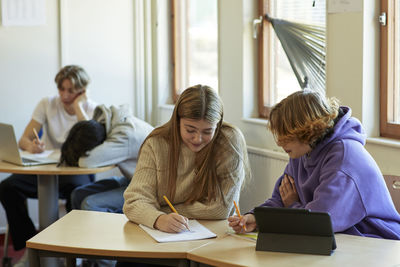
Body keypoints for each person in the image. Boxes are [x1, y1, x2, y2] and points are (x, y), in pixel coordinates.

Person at [228, 90, 400, 240]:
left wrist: (293, 205)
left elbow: (319, 224)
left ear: (307, 131)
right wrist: (256, 217)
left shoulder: (344, 158)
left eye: (285, 135)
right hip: (339, 238)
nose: (279, 141)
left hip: (375, 242)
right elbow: (281, 198)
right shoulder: (302, 150)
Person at [0, 65, 97, 266]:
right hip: (47, 168)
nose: (64, 95)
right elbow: (23, 139)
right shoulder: (47, 104)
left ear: (82, 90)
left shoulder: (90, 108)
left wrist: (78, 107)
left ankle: (73, 253)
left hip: (76, 171)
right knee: (7, 187)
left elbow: (91, 144)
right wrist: (32, 146)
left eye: (71, 90)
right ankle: (31, 247)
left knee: (78, 194)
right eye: (61, 89)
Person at [123, 84, 251, 234]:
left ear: (218, 125)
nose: (198, 138)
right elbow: (133, 201)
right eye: (190, 130)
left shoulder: (229, 141)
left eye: (207, 131)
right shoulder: (156, 143)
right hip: (167, 234)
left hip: (218, 234)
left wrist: (158, 210)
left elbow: (220, 210)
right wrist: (159, 219)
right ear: (177, 122)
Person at [59, 104, 154, 213]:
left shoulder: (124, 135)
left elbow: (87, 161)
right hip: (132, 180)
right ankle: (79, 229)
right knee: (78, 194)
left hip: (151, 189)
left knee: (89, 204)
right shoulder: (108, 123)